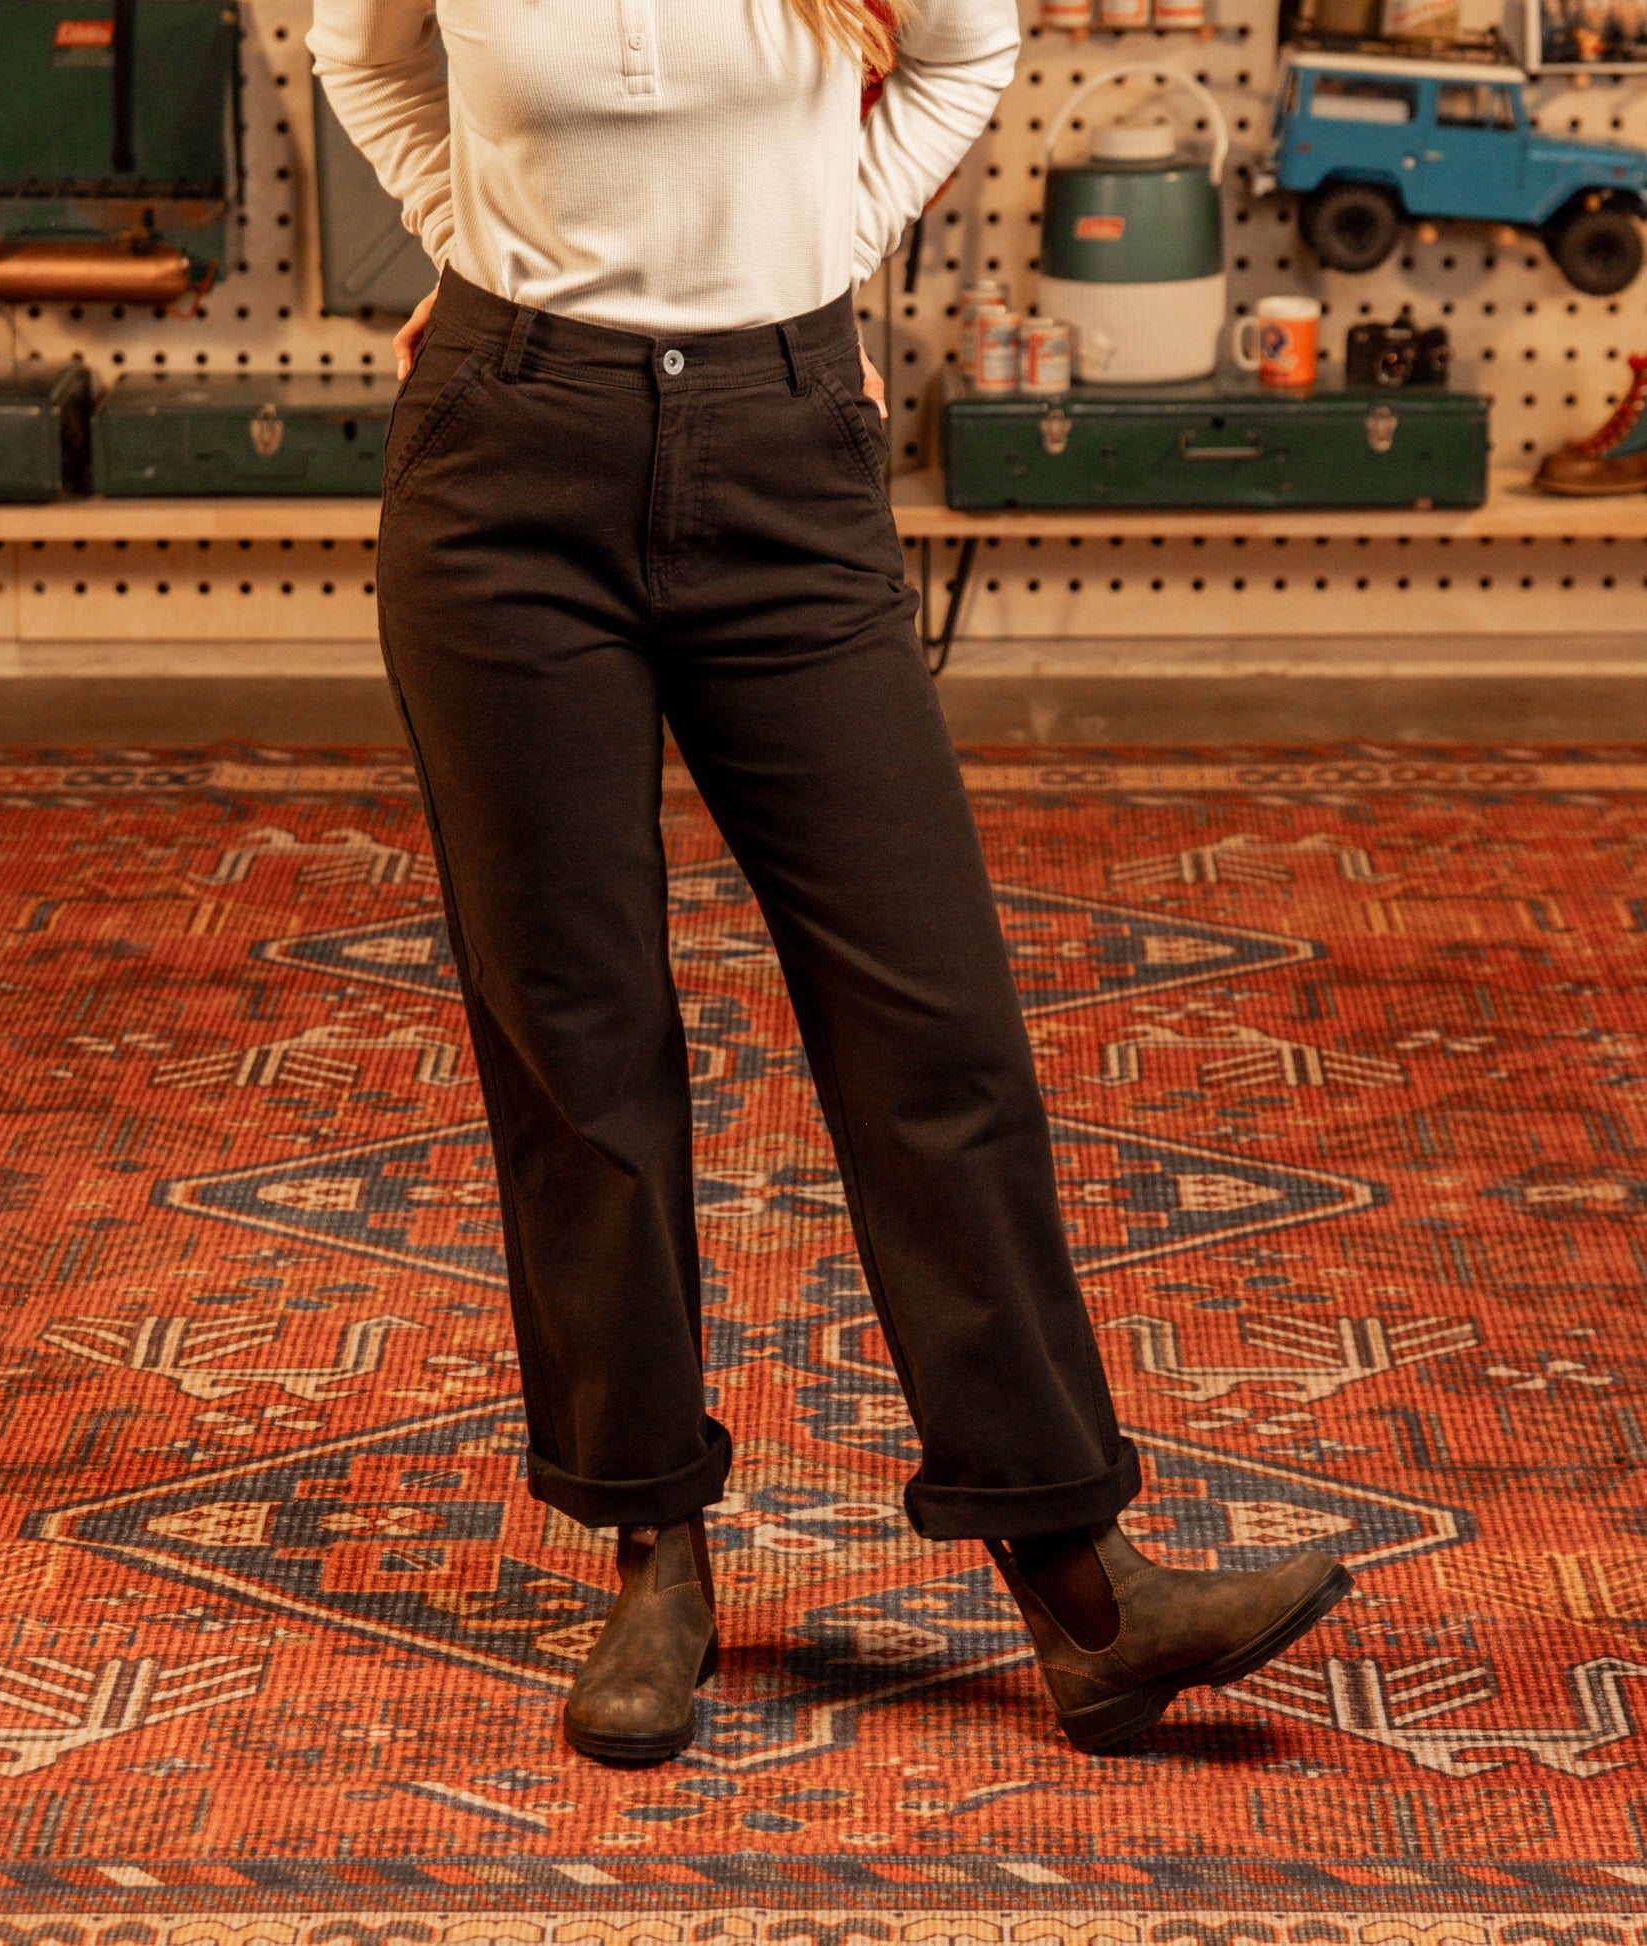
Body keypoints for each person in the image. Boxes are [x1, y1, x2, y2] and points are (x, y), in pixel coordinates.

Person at [308, 0, 1351, 1766]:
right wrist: (460, 224)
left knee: (931, 1016)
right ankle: (652, 1550)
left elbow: (964, 51)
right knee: (576, 1027)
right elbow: (365, 53)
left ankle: (1081, 1583)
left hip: (783, 442)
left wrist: (821, 245)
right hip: (504, 466)